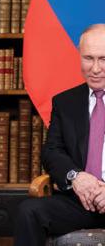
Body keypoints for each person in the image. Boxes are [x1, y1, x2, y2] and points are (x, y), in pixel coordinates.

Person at [14, 24, 105, 245]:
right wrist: (76, 177)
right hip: (79, 200)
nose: (95, 68)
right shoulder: (66, 102)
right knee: (29, 211)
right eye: (88, 58)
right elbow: (52, 151)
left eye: (103, 59)